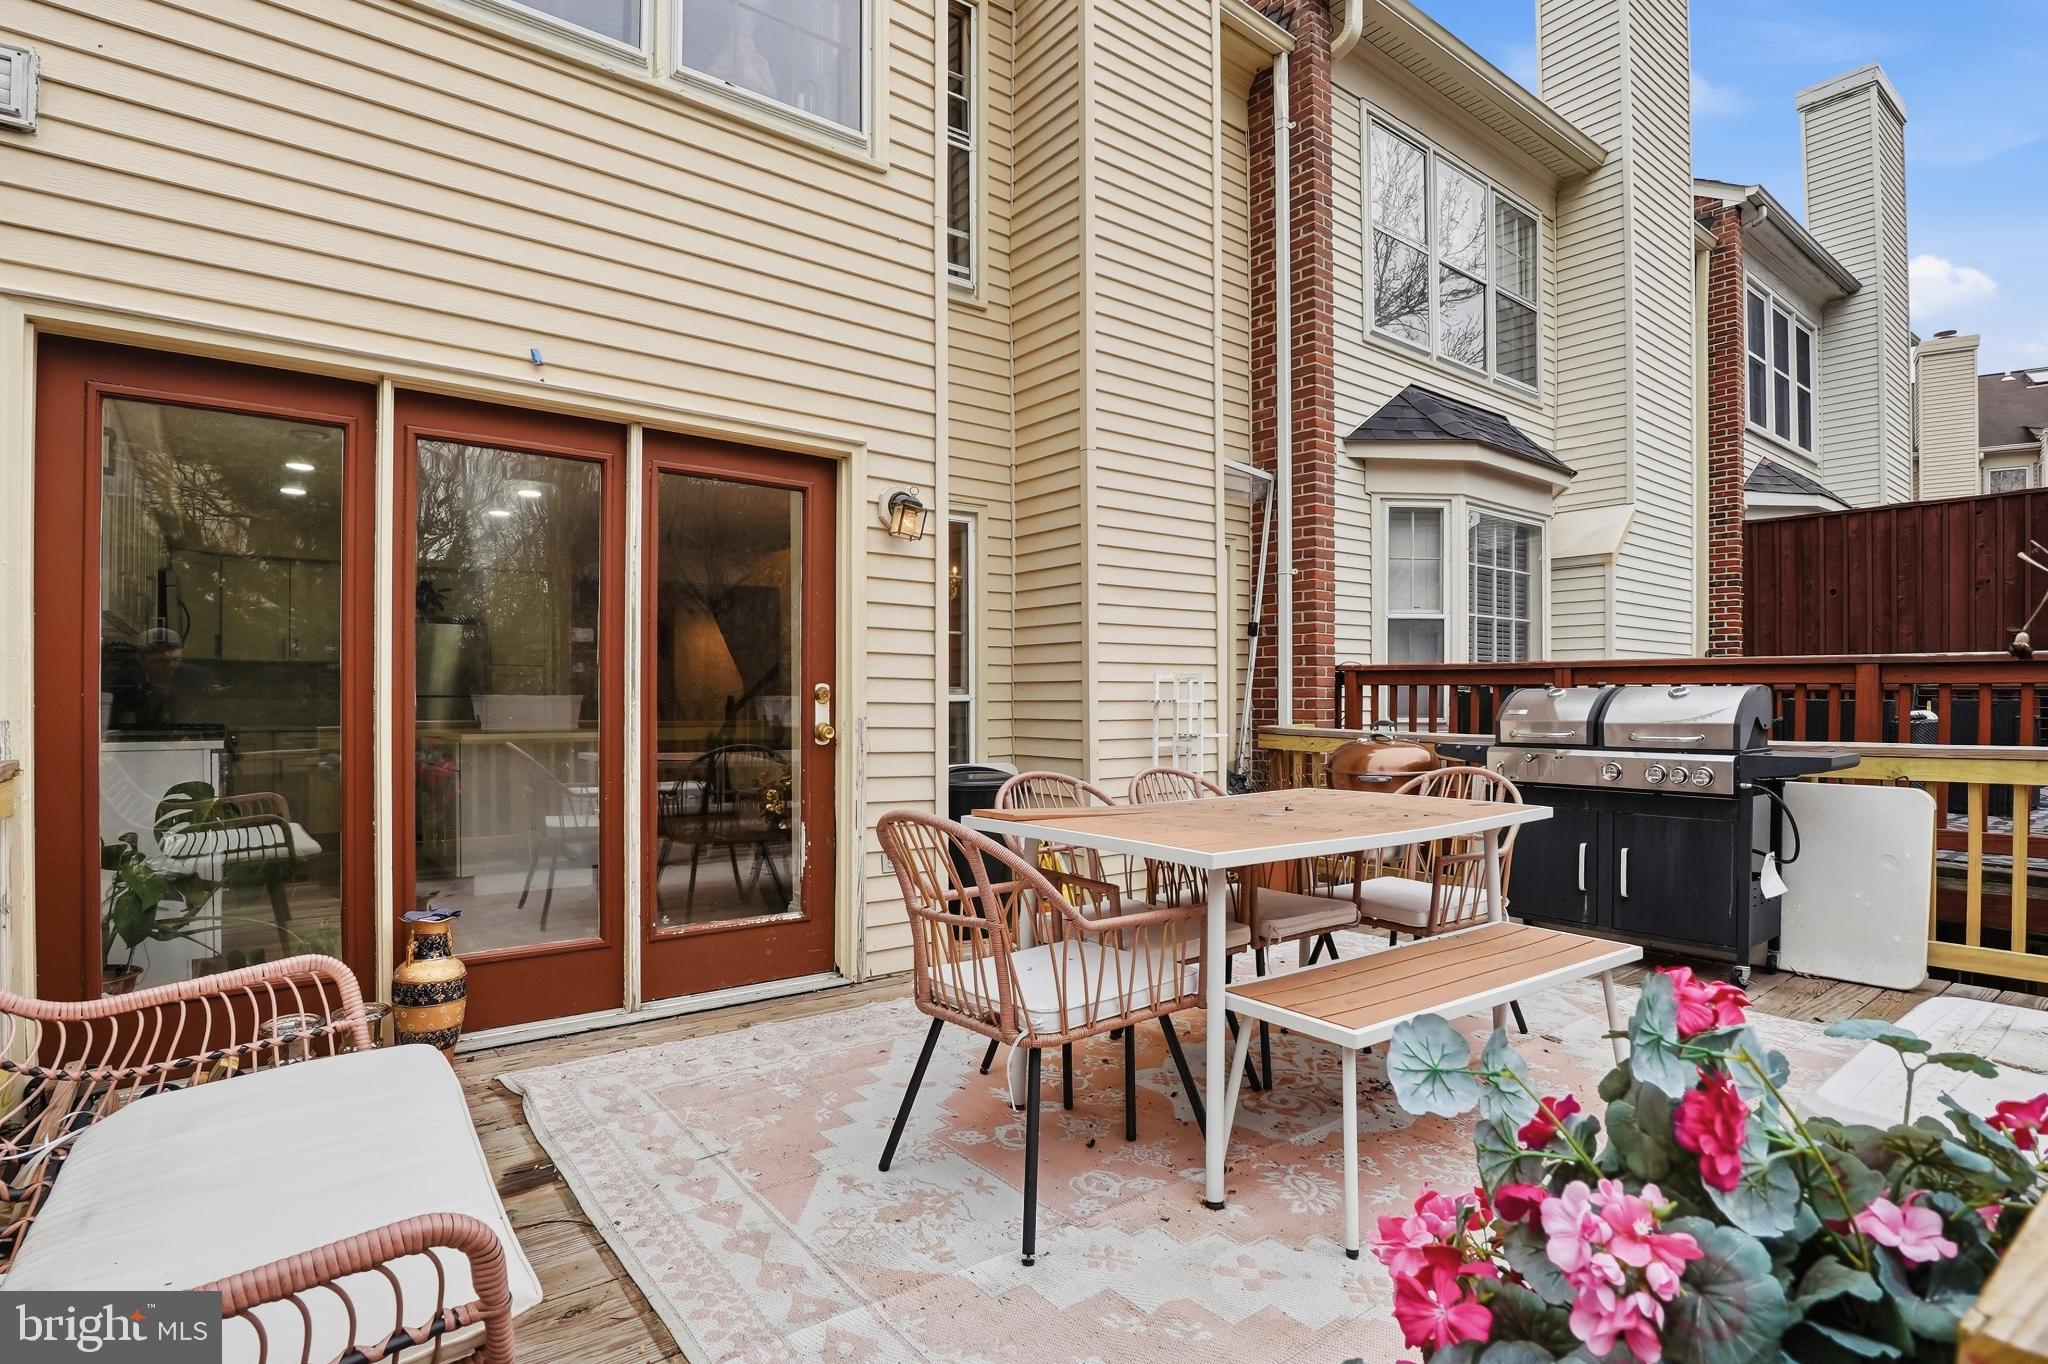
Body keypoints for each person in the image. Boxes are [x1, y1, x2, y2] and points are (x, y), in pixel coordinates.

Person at [104, 627, 224, 729]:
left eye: (176, 660)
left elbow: (218, 704)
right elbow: (119, 723)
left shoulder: (198, 675)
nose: (171, 666)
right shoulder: (126, 680)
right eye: (162, 661)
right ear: (142, 659)